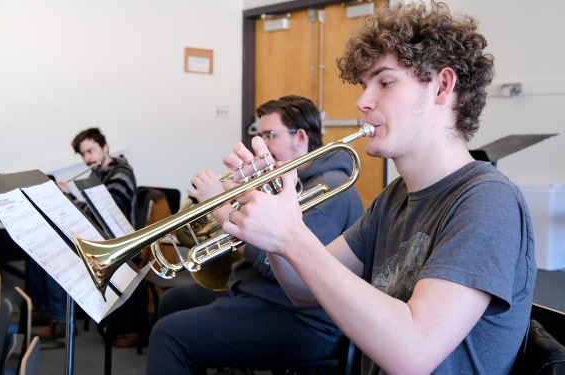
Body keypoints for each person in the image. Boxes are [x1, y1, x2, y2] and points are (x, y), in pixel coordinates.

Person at [220, 3, 537, 374]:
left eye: (384, 82)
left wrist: (292, 238)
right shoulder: (394, 197)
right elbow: (302, 290)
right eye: (364, 85)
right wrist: (271, 223)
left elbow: (413, 354)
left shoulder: (487, 200)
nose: (362, 101)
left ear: (443, 86)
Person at [146, 95, 364, 374]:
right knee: (172, 302)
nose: (262, 146)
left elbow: (284, 271)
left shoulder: (330, 187)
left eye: (270, 135)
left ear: (299, 137)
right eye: (260, 136)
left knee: (168, 336)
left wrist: (220, 208)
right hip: (258, 293)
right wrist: (239, 196)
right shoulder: (288, 179)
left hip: (301, 319)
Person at [30, 127, 139, 341]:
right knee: (40, 242)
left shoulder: (121, 174)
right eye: (83, 154)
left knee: (60, 251)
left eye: (91, 151)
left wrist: (69, 197)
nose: (87, 158)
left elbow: (104, 215)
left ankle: (62, 320)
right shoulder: (97, 174)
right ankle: (44, 308)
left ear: (105, 148)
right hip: (99, 238)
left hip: (116, 244)